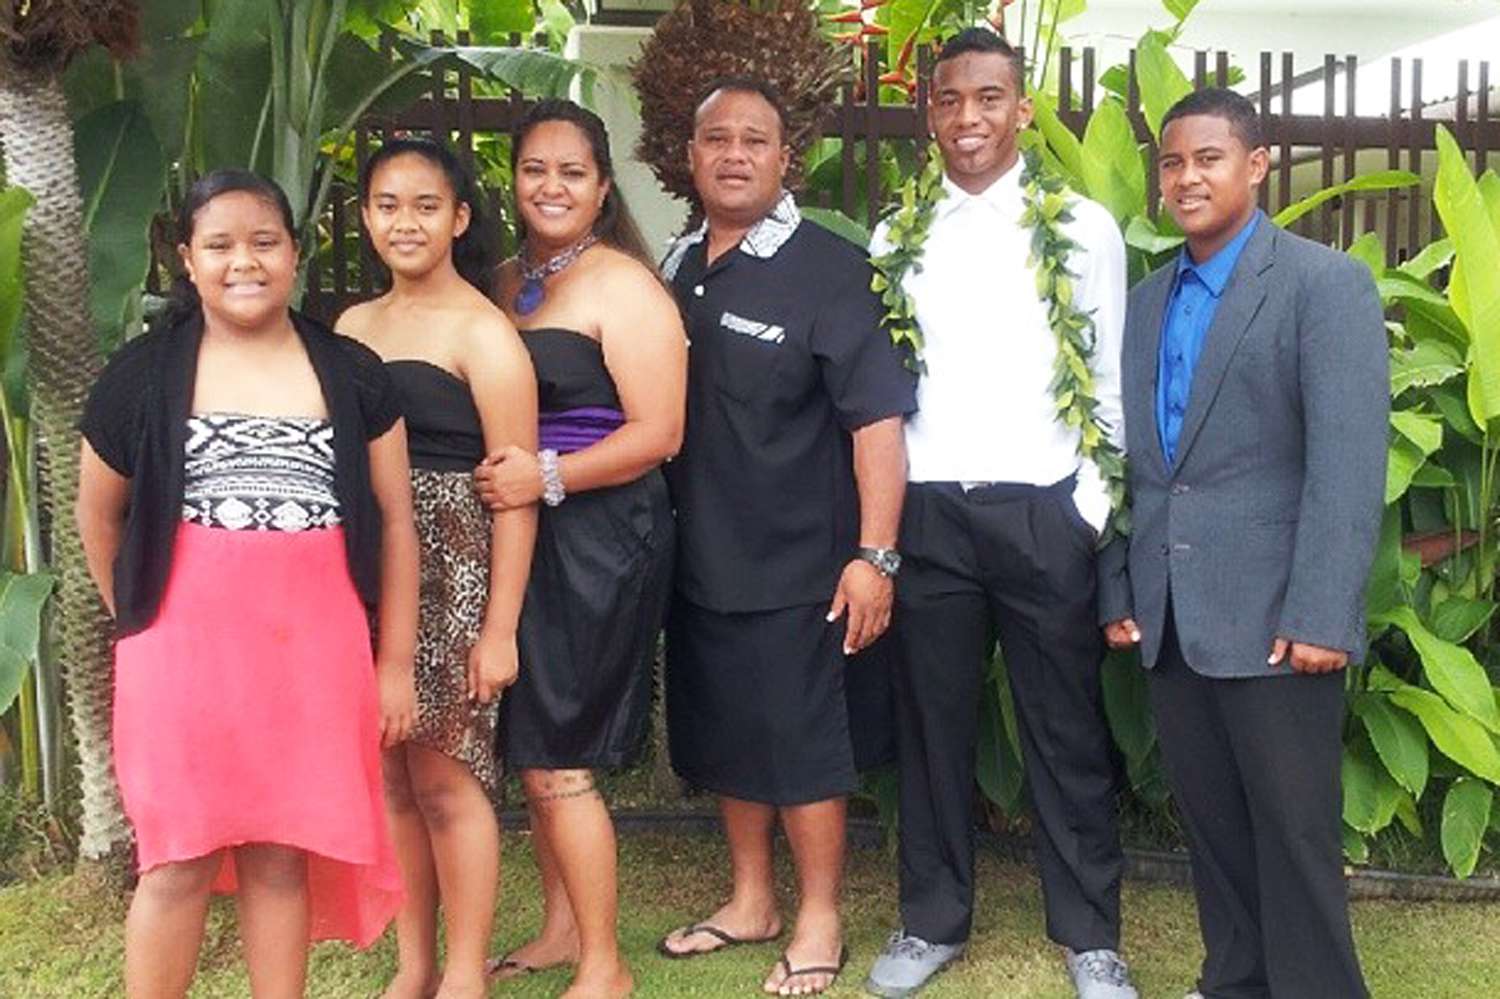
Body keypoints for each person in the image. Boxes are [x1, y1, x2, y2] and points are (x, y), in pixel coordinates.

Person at [75, 170, 417, 998]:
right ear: (186, 260)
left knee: (278, 854)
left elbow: (396, 521)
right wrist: (141, 621)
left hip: (311, 659)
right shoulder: (140, 377)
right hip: (180, 660)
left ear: (295, 254)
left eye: (265, 243)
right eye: (219, 246)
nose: (244, 263)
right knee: (176, 859)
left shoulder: (352, 373)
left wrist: (396, 660)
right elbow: (97, 516)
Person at [865, 29, 1135, 999]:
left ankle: (1090, 935)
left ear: (1022, 109)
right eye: (949, 100)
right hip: (933, 509)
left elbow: (1106, 375)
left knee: (1064, 729)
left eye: (988, 98)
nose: (968, 118)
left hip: (1043, 511)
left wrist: (1089, 510)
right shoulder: (902, 234)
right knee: (931, 726)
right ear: (929, 111)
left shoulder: (1082, 226)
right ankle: (932, 919)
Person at [1100, 87, 1385, 999]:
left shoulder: (1320, 283)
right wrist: (1124, 590)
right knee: (1215, 828)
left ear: (1256, 165)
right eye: (1173, 161)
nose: (1187, 178)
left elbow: (1347, 459)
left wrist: (1321, 611)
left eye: (1209, 158)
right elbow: (1136, 463)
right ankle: (1237, 980)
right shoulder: (1149, 299)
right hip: (1177, 615)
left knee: (1293, 833)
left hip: (1277, 616)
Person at [653, 78, 916, 998]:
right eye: (715, 138)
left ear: (784, 158)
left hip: (807, 562)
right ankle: (753, 899)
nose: (733, 154)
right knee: (728, 728)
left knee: (803, 747)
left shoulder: (830, 271)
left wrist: (875, 554)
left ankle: (818, 916)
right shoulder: (678, 263)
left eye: (753, 140)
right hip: (700, 557)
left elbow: (878, 423)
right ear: (690, 157)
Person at [473, 98, 685, 999]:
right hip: (522, 528)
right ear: (513, 180)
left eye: (571, 171)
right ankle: (561, 929)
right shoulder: (505, 279)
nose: (551, 186)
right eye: (534, 169)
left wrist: (548, 476)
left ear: (601, 188)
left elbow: (662, 432)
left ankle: (607, 962)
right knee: (528, 737)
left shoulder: (624, 285)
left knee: (561, 748)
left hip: (602, 533)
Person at [337, 138, 538, 999]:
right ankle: (413, 963)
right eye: (388, 204)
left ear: (458, 218)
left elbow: (516, 488)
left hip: (455, 565)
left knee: (448, 778)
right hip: (367, 571)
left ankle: (464, 972)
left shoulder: (484, 333)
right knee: (389, 776)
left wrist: (498, 630)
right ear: (367, 216)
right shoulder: (350, 327)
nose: (405, 221)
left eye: (426, 205)